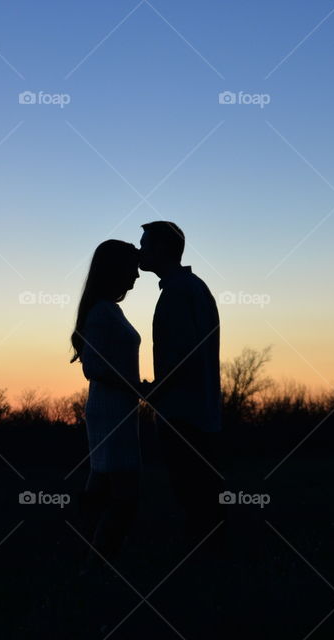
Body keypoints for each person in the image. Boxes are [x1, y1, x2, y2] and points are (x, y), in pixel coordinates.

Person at [138, 221, 225, 537]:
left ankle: (206, 564)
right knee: (203, 496)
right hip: (199, 410)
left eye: (145, 245)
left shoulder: (178, 291)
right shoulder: (194, 287)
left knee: (195, 498)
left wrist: (153, 391)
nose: (139, 251)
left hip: (183, 414)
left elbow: (183, 356)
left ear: (162, 249)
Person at [70, 239, 146, 566]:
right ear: (116, 269)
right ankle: (99, 562)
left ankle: (84, 558)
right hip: (110, 410)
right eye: (132, 267)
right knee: (125, 496)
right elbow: (94, 367)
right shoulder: (102, 312)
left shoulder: (110, 310)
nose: (137, 275)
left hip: (119, 408)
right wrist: (136, 386)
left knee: (100, 487)